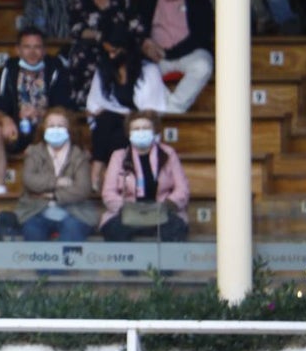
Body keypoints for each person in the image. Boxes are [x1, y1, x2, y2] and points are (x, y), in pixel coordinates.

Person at [0, 27, 72, 195]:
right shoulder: (8, 69)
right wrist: (5, 120)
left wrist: (41, 114)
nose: (32, 52)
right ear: (18, 50)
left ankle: (51, 190)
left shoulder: (56, 69)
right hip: (17, 129)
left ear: (44, 50)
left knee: (58, 128)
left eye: (37, 47)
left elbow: (65, 110)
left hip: (45, 128)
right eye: (27, 47)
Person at [85, 21, 168, 192]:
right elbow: (93, 106)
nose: (111, 56)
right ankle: (100, 172)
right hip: (108, 124)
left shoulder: (148, 71)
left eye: (115, 51)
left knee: (115, 128)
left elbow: (151, 112)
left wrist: (126, 116)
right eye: (108, 52)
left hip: (138, 124)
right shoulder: (104, 70)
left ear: (127, 49)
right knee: (107, 120)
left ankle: (102, 173)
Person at [67, 0, 145, 109]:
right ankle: (84, 106)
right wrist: (101, 38)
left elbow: (135, 26)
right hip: (91, 47)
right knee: (83, 56)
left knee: (127, 58)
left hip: (120, 46)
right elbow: (77, 28)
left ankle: (121, 104)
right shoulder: (79, 0)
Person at [138, 0, 214, 113]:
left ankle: (172, 110)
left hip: (189, 53)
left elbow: (201, 35)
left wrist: (170, 53)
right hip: (156, 55)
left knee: (203, 66)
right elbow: (136, 27)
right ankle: (170, 108)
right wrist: (145, 42)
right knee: (137, 71)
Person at [99, 110, 190, 243]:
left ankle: (166, 265)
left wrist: (168, 205)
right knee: (114, 230)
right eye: (136, 129)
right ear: (129, 133)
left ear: (154, 131)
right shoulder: (119, 156)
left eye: (146, 128)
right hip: (129, 212)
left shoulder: (168, 154)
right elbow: (108, 192)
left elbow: (182, 188)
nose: (141, 132)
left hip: (162, 211)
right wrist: (124, 208)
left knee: (175, 228)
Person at [12, 107, 98, 243]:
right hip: (36, 209)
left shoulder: (80, 155)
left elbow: (82, 188)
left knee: (72, 230)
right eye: (51, 126)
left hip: (74, 211)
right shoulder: (34, 152)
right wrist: (57, 182)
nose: (56, 129)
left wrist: (54, 195)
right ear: (43, 128)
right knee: (33, 230)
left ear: (69, 129)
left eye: (60, 126)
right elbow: (29, 180)